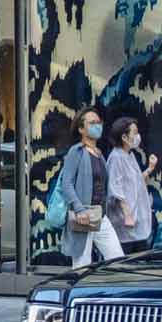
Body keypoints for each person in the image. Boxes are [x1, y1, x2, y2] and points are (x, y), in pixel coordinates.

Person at [50, 107, 123, 268]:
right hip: (82, 217)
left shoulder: (99, 153)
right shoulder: (76, 152)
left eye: (99, 122)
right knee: (81, 266)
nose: (97, 126)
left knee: (117, 258)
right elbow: (66, 183)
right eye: (92, 123)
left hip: (99, 216)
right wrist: (79, 209)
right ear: (81, 129)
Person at [103, 116, 158, 255]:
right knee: (127, 258)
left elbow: (137, 181)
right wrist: (127, 215)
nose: (137, 136)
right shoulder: (116, 158)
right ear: (124, 137)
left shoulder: (129, 155)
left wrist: (150, 168)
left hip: (136, 221)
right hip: (126, 223)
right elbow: (116, 189)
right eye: (134, 132)